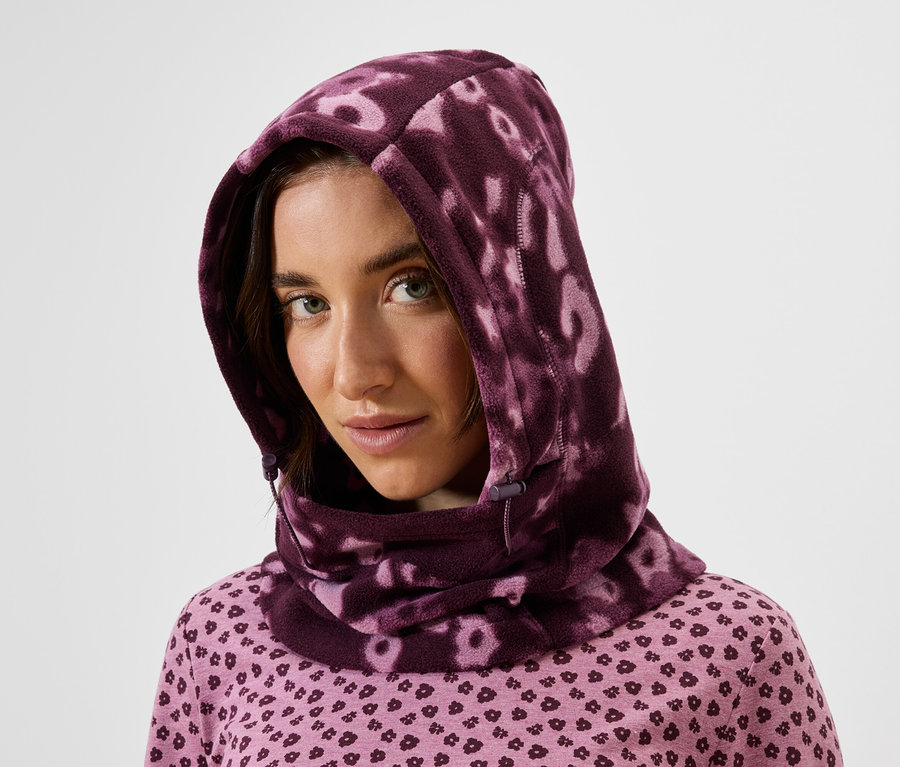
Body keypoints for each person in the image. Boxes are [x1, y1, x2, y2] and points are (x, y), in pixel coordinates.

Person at [145, 50, 842, 767]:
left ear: (524, 296)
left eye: (412, 287)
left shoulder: (727, 657)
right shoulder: (225, 643)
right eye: (307, 304)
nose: (354, 373)